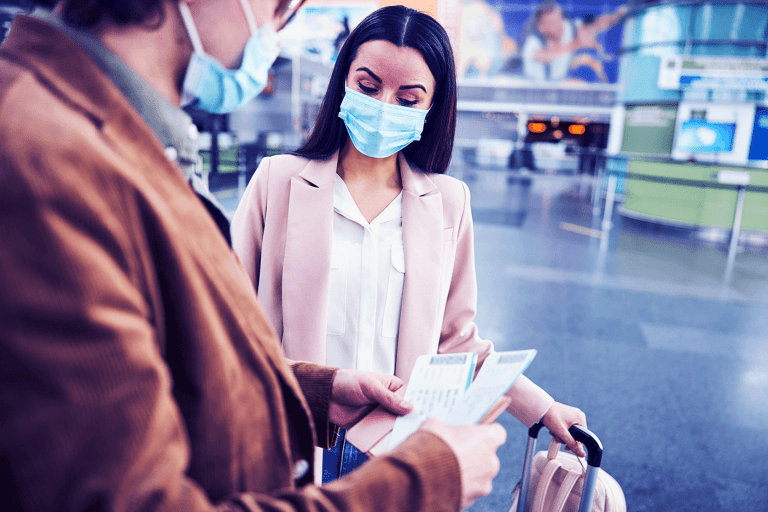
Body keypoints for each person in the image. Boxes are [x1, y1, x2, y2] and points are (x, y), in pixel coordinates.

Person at [0, 1, 510, 511]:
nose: (277, 27)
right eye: (278, 5)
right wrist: (424, 481)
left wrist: (315, 390)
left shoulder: (123, 137)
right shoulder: (45, 154)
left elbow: (179, 358)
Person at [230, 5, 588, 484]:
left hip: (394, 447)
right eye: (368, 86)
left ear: (432, 107)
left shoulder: (448, 203)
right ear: (343, 82)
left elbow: (457, 342)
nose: (384, 106)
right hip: (293, 436)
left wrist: (542, 408)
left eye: (408, 98)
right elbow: (228, 320)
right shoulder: (277, 182)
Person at [521, 0, 627, 83]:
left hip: (562, 89)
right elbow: (543, 56)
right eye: (552, 23)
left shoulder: (569, 27)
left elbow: (596, 24)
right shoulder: (533, 41)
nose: (559, 26)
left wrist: (617, 16)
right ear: (541, 27)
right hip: (535, 93)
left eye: (560, 19)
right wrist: (577, 44)